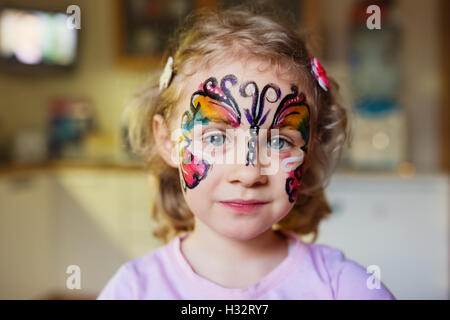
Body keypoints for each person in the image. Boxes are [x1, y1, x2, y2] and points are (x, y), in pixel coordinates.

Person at [97, 7, 395, 300]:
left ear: (311, 149)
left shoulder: (344, 288)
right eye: (215, 138)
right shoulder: (132, 291)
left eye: (279, 142)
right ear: (167, 141)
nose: (249, 173)